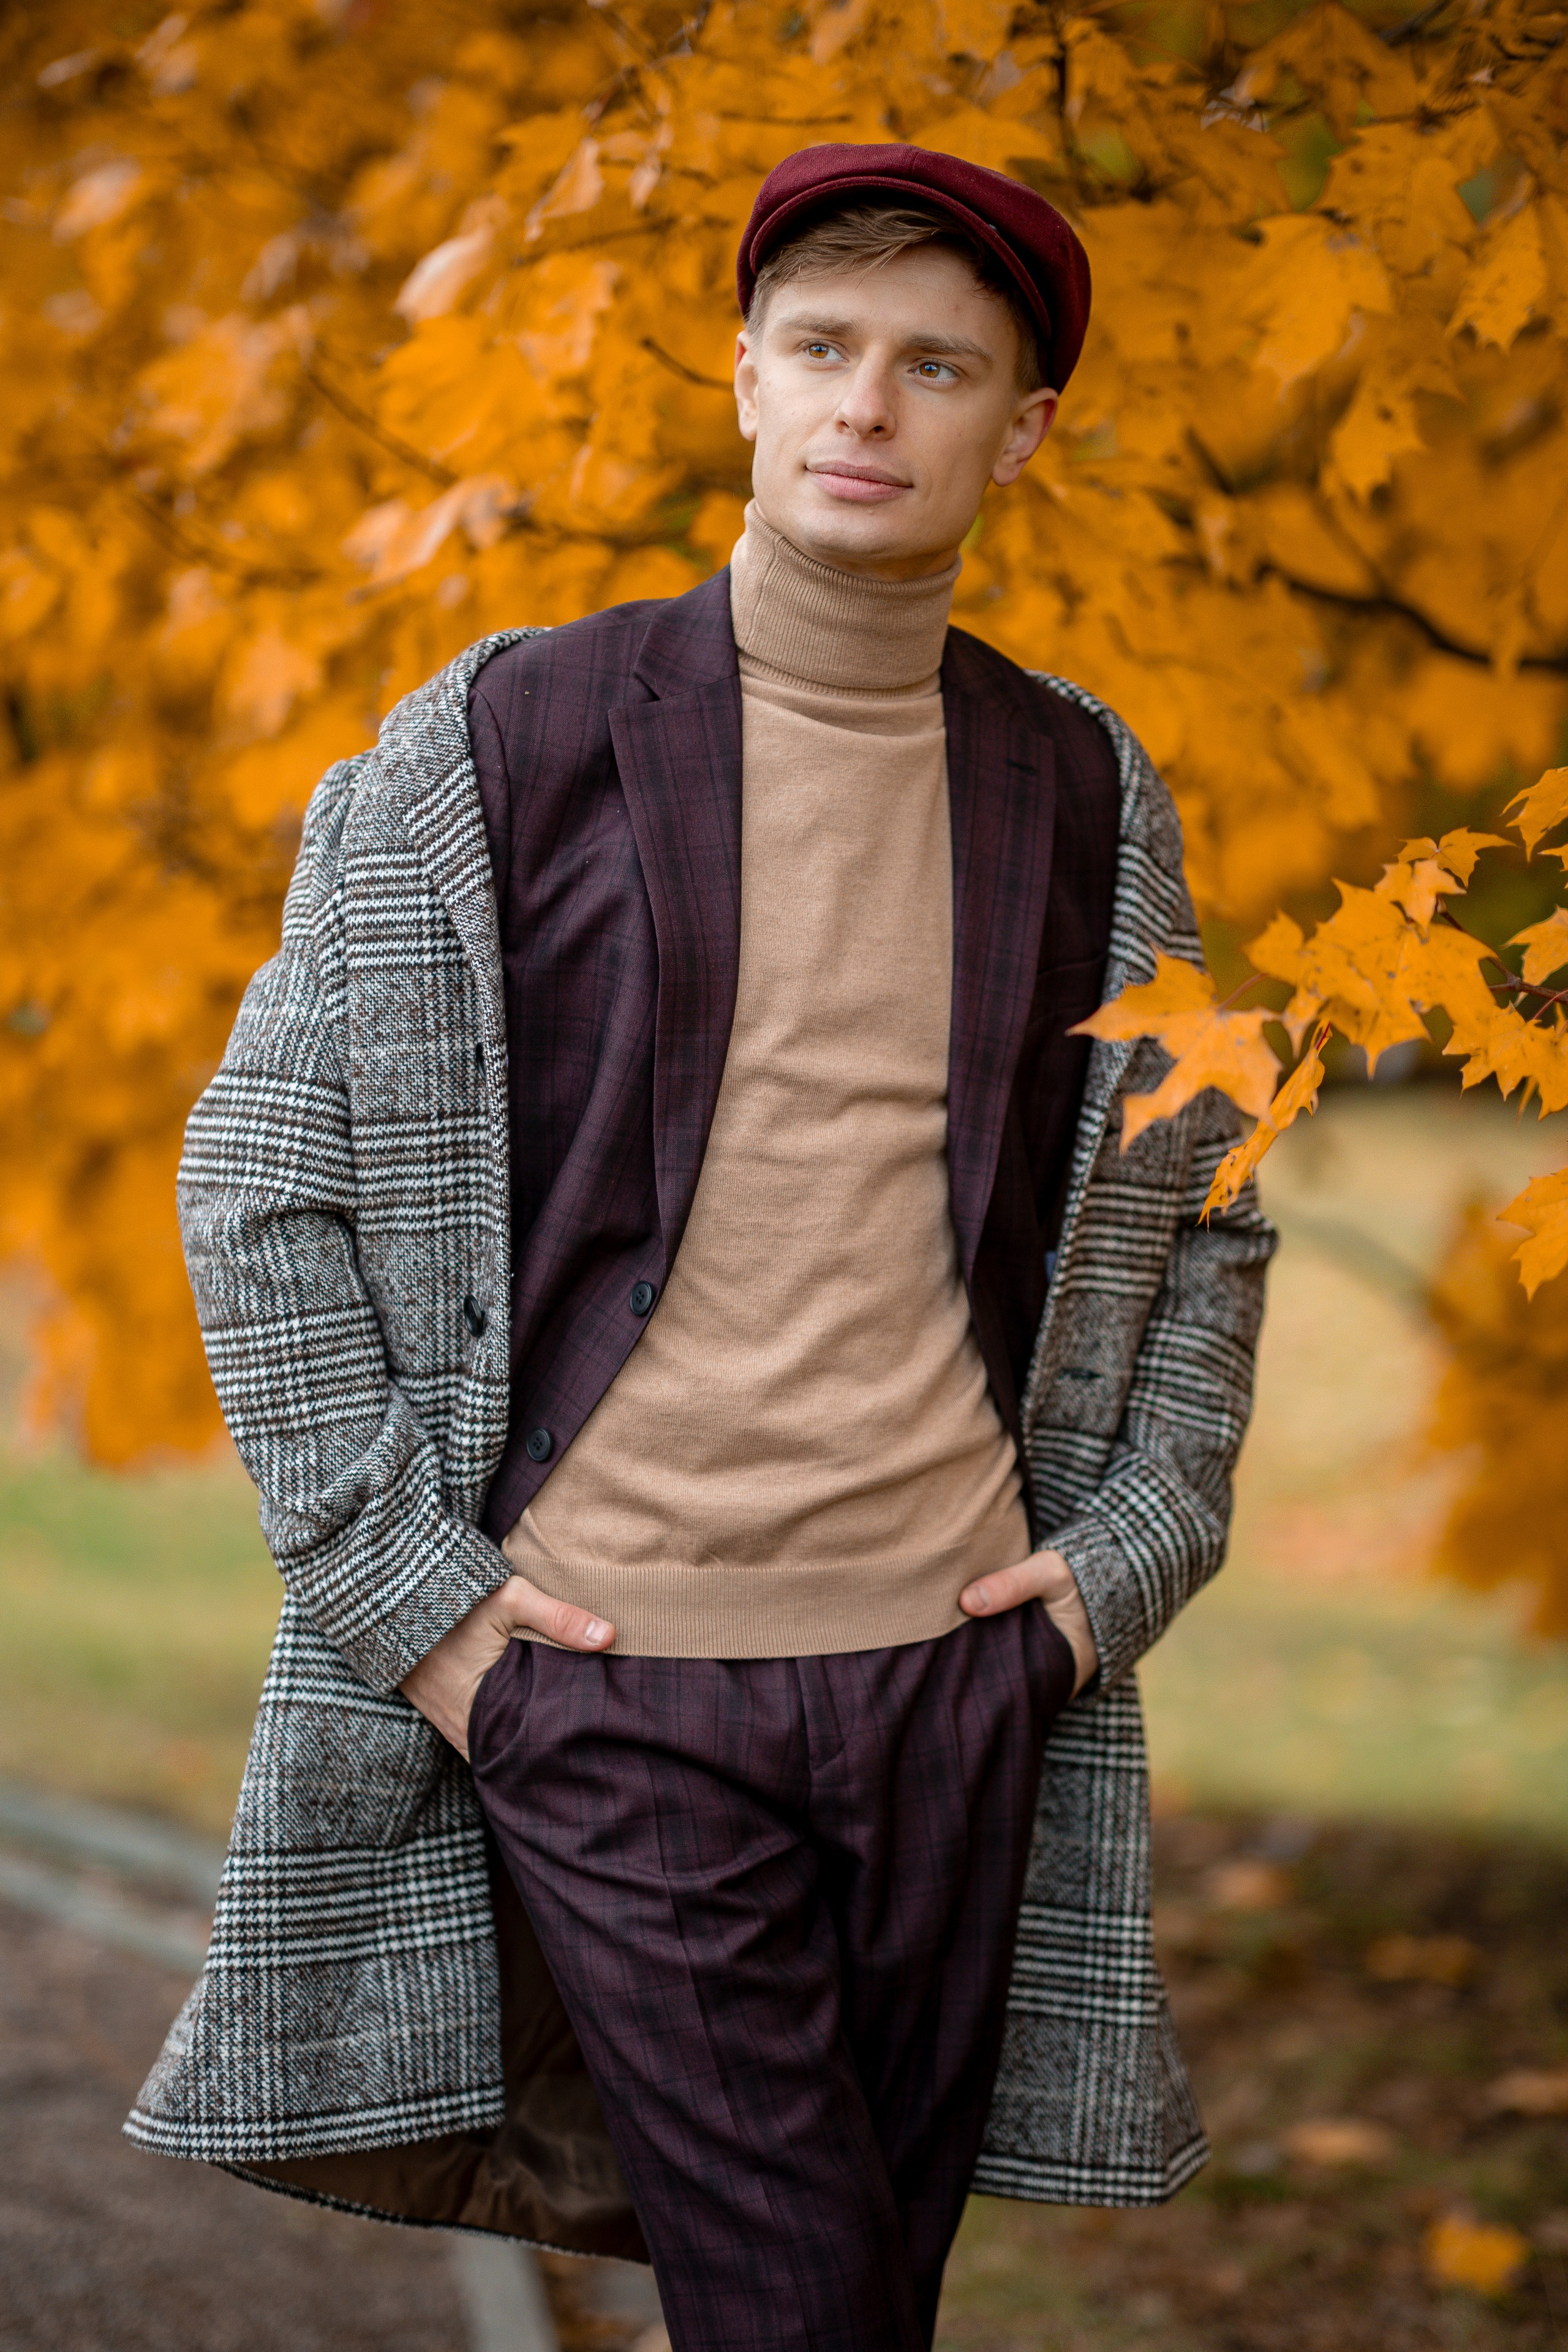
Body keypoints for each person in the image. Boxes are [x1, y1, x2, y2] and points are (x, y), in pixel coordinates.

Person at [129, 143, 1275, 2352]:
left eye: (936, 367)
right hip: (604, 1673)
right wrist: (429, 1624)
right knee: (804, 2306)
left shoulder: (1083, 789)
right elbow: (259, 1186)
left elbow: (1204, 1213)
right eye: (824, 350)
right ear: (742, 377)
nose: (870, 405)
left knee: (857, 2301)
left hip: (958, 1675)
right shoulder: (499, 743)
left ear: (1018, 431)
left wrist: (1123, 1565)